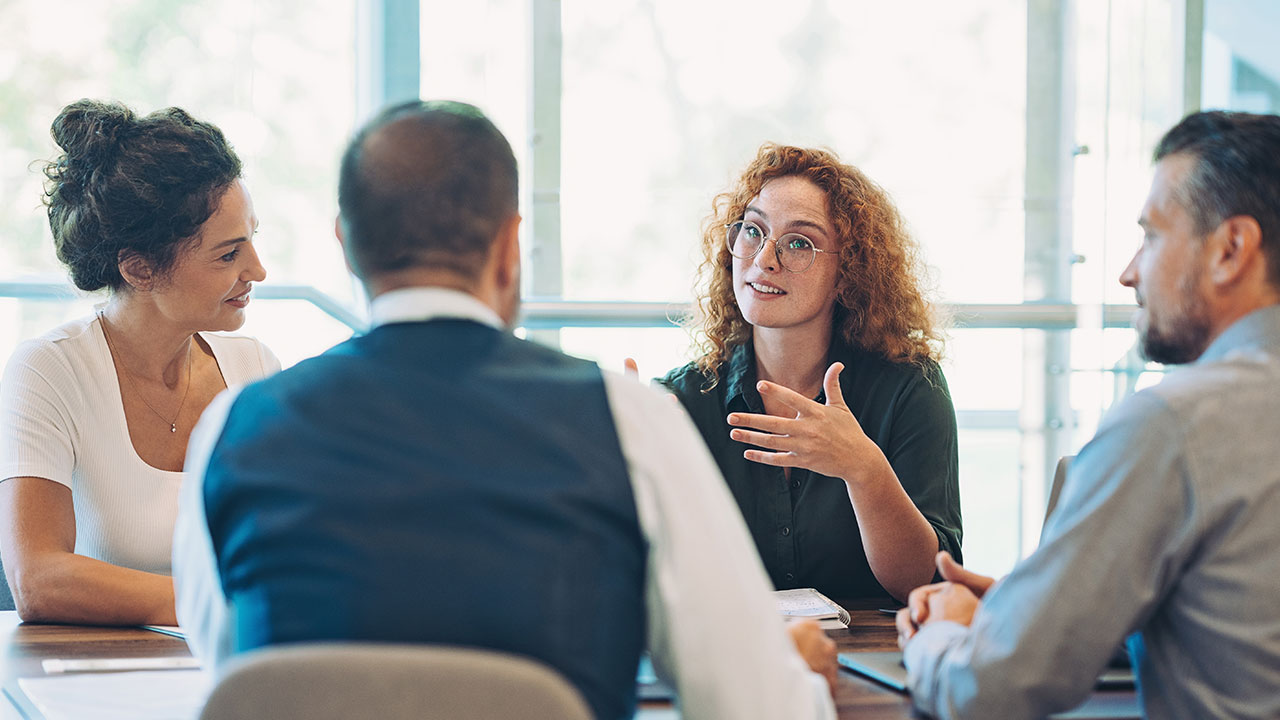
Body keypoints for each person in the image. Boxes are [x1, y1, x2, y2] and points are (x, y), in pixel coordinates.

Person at [173, 101, 838, 720]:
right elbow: (757, 708)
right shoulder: (625, 420)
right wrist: (797, 678)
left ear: (346, 242)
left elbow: (236, 675)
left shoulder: (234, 428)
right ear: (509, 242)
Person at [896, 110, 1280, 719]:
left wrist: (943, 635)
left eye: (1151, 236)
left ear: (1232, 249)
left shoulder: (1175, 424)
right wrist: (1042, 612)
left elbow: (989, 691)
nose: (1129, 272)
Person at [0, 100, 277, 626]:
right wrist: (215, 604)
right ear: (139, 269)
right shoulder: (48, 370)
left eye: (252, 241)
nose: (257, 270)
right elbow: (38, 577)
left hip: (227, 670)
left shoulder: (256, 366)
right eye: (227, 255)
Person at [658, 145, 962, 602]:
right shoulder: (684, 399)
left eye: (798, 242)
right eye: (753, 231)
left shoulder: (910, 389)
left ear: (848, 272)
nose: (764, 259)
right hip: (735, 661)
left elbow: (930, 587)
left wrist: (864, 470)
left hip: (874, 663)